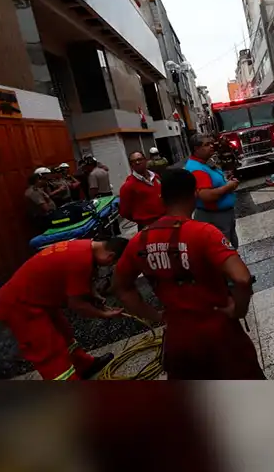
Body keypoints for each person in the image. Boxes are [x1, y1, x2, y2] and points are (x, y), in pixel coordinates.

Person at [112, 168, 264, 379]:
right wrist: (238, 309)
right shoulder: (204, 233)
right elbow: (242, 278)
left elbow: (121, 287)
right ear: (194, 194)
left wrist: (155, 316)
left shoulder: (140, 241)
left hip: (178, 337)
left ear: (161, 197)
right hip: (219, 333)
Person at [0, 238, 129, 380]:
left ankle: (83, 366)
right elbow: (78, 305)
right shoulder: (81, 261)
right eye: (112, 263)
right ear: (111, 256)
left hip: (39, 298)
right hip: (20, 306)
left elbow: (73, 278)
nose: (108, 266)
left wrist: (92, 295)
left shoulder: (84, 246)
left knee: (63, 332)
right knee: (48, 349)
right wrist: (105, 314)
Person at [184, 133, 242, 247]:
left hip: (223, 216)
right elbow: (206, 196)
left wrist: (226, 181)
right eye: (206, 144)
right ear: (196, 148)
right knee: (224, 251)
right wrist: (228, 186)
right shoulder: (196, 168)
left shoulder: (203, 163)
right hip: (215, 217)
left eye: (211, 143)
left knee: (231, 247)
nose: (211, 146)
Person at [119, 150, 166, 230]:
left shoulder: (156, 177)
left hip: (164, 220)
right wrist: (141, 219)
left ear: (146, 160)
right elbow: (124, 212)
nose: (137, 162)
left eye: (139, 159)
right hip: (147, 227)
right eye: (133, 161)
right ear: (131, 165)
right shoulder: (128, 186)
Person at [25, 167, 56, 234]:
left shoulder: (38, 189)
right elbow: (46, 208)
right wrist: (49, 200)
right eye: (44, 179)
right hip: (43, 219)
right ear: (38, 180)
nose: (46, 181)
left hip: (44, 218)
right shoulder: (34, 192)